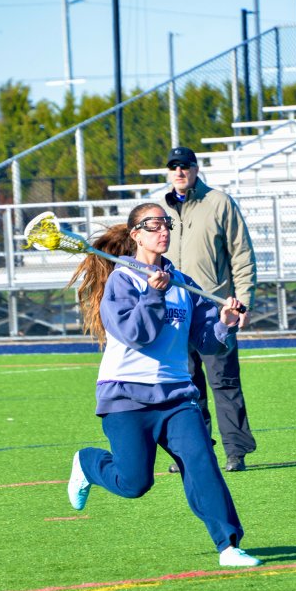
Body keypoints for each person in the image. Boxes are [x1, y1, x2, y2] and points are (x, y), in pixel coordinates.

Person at [66, 202, 261, 568]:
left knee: (202, 463)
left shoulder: (184, 283)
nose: (163, 231)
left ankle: (229, 546)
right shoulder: (122, 281)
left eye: (166, 224)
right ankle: (88, 463)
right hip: (126, 396)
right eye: (153, 225)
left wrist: (225, 322)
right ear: (135, 234)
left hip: (176, 396)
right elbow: (137, 335)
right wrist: (153, 295)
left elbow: (207, 342)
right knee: (134, 483)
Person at [158, 145, 257, 473]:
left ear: (196, 169)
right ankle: (193, 452)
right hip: (174, 312)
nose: (179, 172)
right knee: (185, 387)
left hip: (215, 311)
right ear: (168, 172)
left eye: (185, 165)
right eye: (174, 166)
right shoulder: (158, 209)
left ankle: (236, 452)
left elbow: (241, 254)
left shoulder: (219, 203)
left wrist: (242, 301)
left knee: (225, 381)